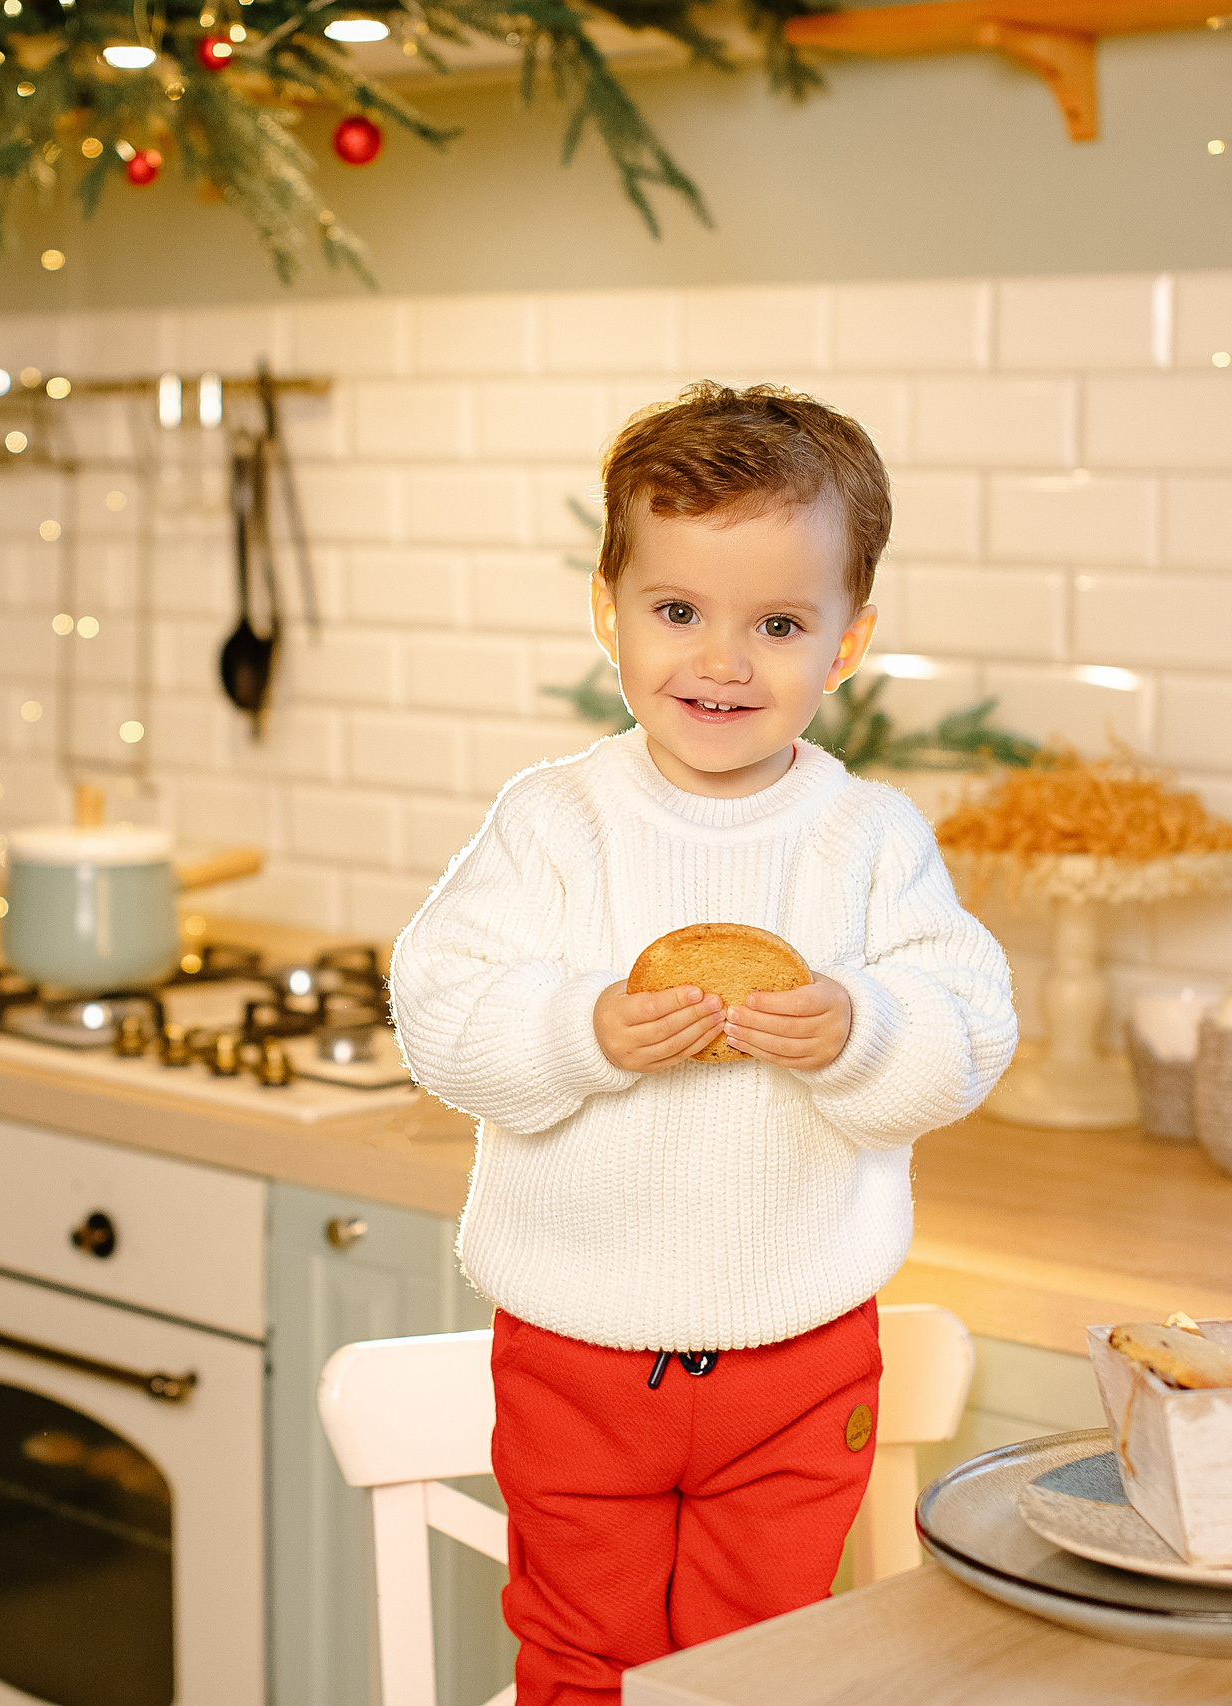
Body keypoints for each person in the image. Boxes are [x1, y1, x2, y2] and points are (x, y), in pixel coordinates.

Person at [388, 381, 1018, 1706]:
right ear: (605, 607)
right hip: (574, 1348)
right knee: (581, 1655)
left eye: (779, 623)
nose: (722, 662)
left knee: (762, 1667)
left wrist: (860, 1029)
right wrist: (585, 1026)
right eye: (678, 611)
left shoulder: (871, 839)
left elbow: (969, 1033)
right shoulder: (553, 822)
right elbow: (440, 1013)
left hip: (800, 1353)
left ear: (847, 642)